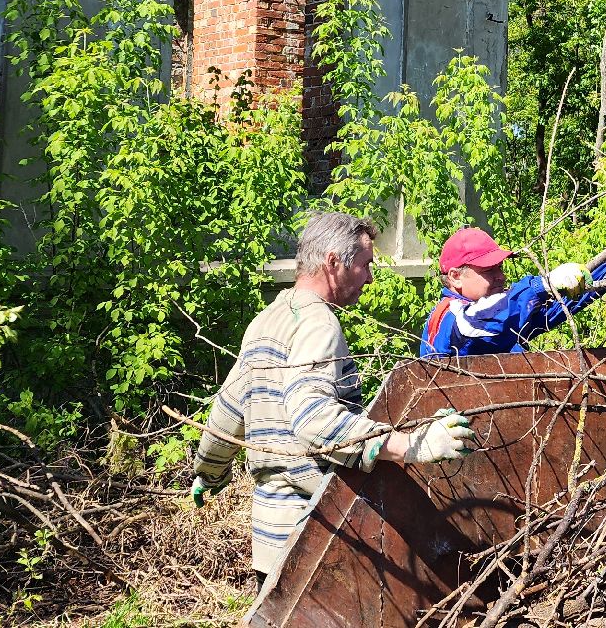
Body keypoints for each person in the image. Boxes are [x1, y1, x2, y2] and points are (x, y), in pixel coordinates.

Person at [191, 212, 479, 582]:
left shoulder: (267, 319)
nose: (370, 277)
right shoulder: (319, 323)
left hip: (270, 544)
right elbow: (314, 419)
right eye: (364, 265)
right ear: (332, 263)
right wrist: (412, 444)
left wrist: (208, 472)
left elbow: (228, 412)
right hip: (317, 542)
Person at [420, 226, 606, 357]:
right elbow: (479, 321)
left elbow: (555, 308)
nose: (500, 276)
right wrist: (542, 286)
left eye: (500, 267)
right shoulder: (449, 318)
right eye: (488, 270)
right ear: (455, 277)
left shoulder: (503, 316)